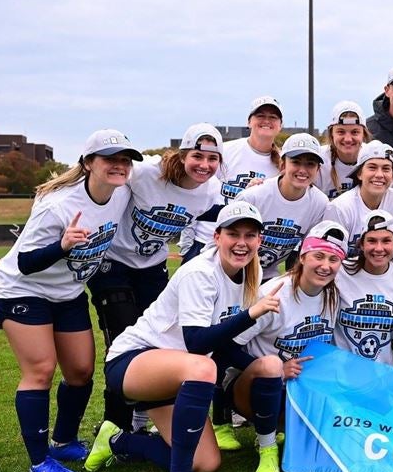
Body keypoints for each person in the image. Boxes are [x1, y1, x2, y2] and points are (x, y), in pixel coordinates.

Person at [86, 202, 285, 472]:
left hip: (179, 373)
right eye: (233, 233)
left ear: (260, 241)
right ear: (217, 236)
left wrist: (262, 369)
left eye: (250, 235)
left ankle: (117, 440)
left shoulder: (250, 279)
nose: (241, 242)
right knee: (203, 366)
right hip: (134, 360)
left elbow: (223, 345)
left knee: (208, 463)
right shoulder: (200, 272)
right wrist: (250, 314)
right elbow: (196, 342)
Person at [0, 129, 139, 472]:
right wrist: (61, 245)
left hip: (68, 293)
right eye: (110, 159)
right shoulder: (58, 205)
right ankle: (40, 461)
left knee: (80, 371)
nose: (119, 166)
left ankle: (64, 441)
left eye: (125, 159)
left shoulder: (121, 194)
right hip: (23, 290)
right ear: (89, 163)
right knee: (41, 370)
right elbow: (25, 262)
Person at [91, 123, 222, 432]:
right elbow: (107, 176)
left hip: (153, 266)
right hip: (115, 262)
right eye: (197, 156)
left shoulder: (212, 189)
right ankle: (115, 425)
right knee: (122, 340)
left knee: (162, 342)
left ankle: (141, 419)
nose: (204, 165)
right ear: (183, 154)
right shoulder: (147, 172)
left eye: (213, 158)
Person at [227, 221, 348, 471]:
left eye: (333, 260)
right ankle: (267, 446)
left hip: (295, 389)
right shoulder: (273, 294)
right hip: (249, 385)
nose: (325, 266)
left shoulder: (333, 296)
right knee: (271, 366)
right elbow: (226, 348)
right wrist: (276, 369)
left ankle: (284, 427)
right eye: (318, 256)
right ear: (302, 256)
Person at [182, 96, 282, 261]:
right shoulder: (225, 152)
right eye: (260, 116)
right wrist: (187, 244)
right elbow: (194, 193)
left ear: (280, 125)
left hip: (241, 248)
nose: (266, 121)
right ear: (249, 122)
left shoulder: (282, 164)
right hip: (204, 241)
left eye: (273, 117)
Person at [235, 132, 329, 281]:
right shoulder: (253, 196)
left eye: (310, 164)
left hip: (268, 276)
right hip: (233, 272)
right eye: (296, 162)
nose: (303, 170)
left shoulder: (320, 203)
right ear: (283, 164)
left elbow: (308, 250)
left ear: (318, 169)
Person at [334, 211, 393, 364]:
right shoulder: (340, 273)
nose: (379, 249)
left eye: (386, 241)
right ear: (361, 244)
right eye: (372, 241)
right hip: (341, 375)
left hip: (382, 376)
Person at [323, 141, 393, 256]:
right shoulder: (340, 207)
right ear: (359, 174)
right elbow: (330, 255)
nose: (379, 175)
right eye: (372, 168)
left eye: (386, 169)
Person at [317, 100, 371, 199]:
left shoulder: (373, 156)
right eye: (341, 132)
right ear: (331, 134)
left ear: (364, 133)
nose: (348, 139)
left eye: (355, 132)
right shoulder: (318, 160)